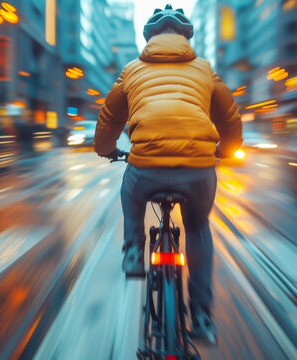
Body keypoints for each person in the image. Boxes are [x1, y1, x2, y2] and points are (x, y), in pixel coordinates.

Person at [93, 4, 242, 344]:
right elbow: (230, 119)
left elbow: (110, 118)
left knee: (130, 191)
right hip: (198, 171)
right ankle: (202, 316)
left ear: (150, 38)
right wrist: (225, 151)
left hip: (147, 168)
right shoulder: (205, 70)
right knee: (199, 226)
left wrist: (105, 149)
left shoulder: (131, 70)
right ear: (186, 38)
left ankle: (133, 249)